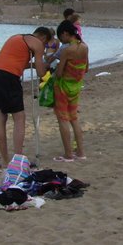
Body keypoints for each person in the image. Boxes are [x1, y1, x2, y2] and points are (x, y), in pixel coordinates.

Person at [0, 27, 50, 166]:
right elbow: (41, 73)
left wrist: (31, 65)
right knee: (19, 117)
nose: (45, 46)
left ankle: (5, 161)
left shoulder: (17, 37)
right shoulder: (38, 43)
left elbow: (14, 61)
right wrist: (44, 65)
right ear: (43, 37)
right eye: (46, 43)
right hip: (8, 76)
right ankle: (17, 159)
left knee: (1, 117)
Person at [52, 20, 89, 162]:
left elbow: (59, 73)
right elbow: (86, 68)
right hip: (76, 86)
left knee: (63, 119)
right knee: (74, 118)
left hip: (63, 87)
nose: (62, 41)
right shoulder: (84, 47)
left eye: (61, 38)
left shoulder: (67, 50)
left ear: (65, 34)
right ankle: (81, 152)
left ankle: (68, 154)